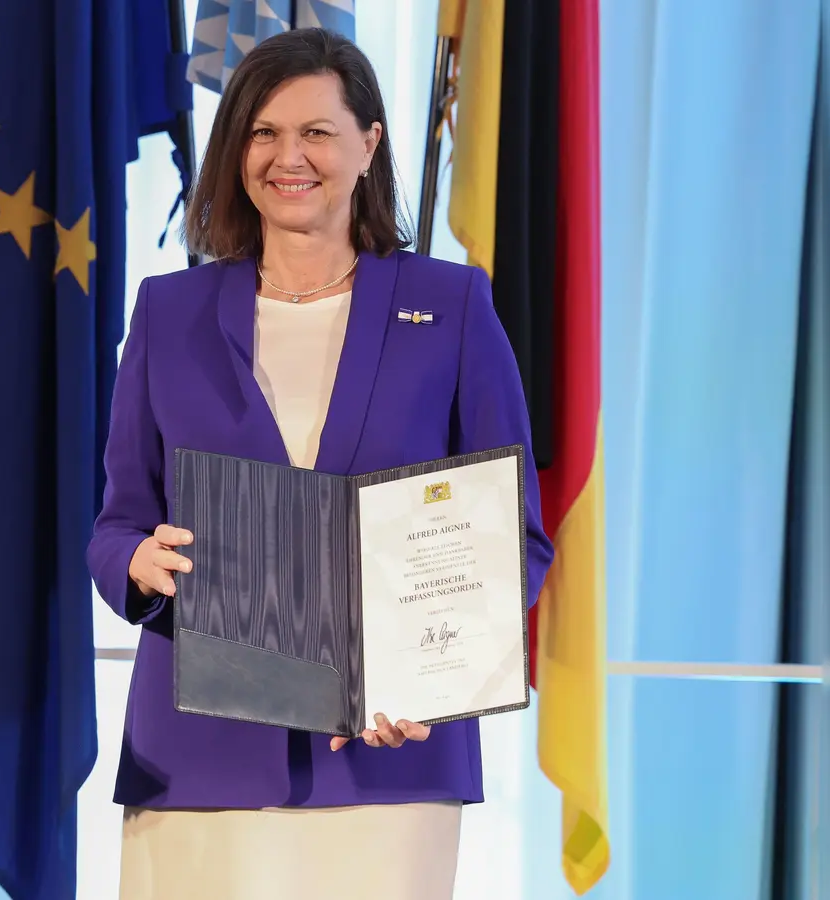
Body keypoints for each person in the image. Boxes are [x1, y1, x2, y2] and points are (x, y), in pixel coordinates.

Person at [86, 28, 553, 900]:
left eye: (316, 132)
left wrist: (431, 678)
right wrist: (140, 567)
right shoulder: (168, 310)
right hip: (200, 756)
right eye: (263, 133)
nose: (286, 156)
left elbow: (512, 536)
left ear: (370, 144)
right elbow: (116, 524)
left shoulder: (450, 305)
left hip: (390, 761)